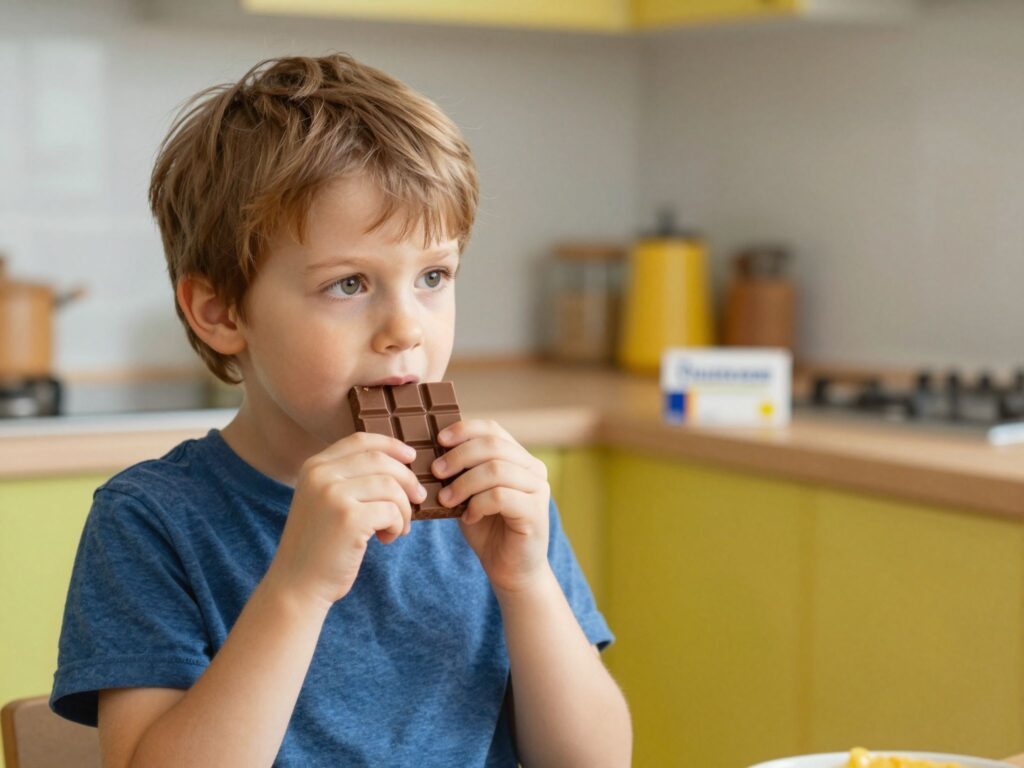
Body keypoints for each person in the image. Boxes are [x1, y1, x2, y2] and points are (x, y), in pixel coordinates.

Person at [49, 53, 632, 767]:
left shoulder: (491, 504)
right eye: (349, 284)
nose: (406, 327)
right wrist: (296, 588)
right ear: (220, 311)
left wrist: (528, 581)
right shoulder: (151, 522)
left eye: (432, 277)